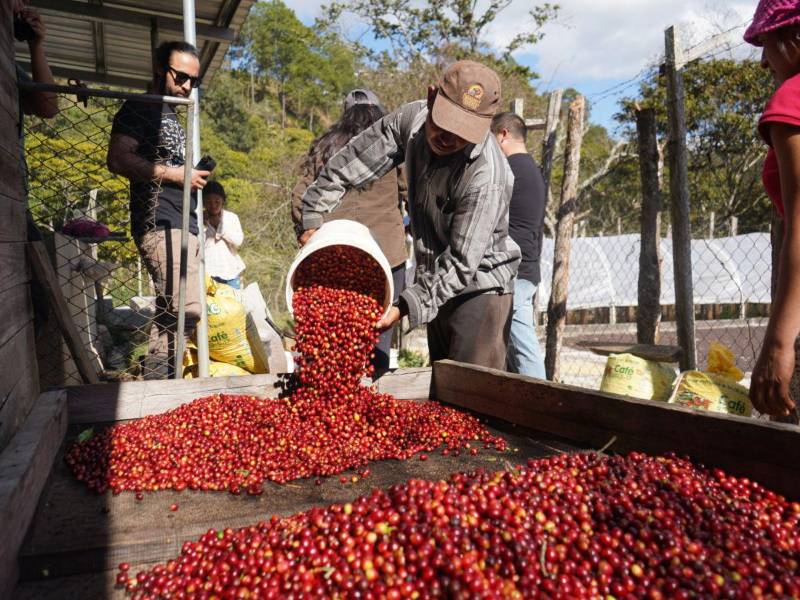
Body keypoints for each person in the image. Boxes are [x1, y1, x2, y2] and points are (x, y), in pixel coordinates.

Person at [300, 61, 520, 370]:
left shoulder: (488, 175)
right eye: (444, 122)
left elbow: (461, 263)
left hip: (480, 288)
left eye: (463, 132)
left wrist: (405, 304)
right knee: (442, 387)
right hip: (435, 276)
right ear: (431, 98)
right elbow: (354, 159)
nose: (449, 138)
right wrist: (312, 215)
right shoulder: (411, 119)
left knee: (473, 399)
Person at [107, 41, 209, 379]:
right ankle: (157, 384)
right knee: (187, 308)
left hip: (184, 222)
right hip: (159, 220)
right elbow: (118, 158)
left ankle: (157, 386)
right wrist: (178, 174)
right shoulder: (141, 107)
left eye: (194, 80)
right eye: (180, 76)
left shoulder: (171, 114)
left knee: (173, 313)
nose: (187, 86)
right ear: (158, 68)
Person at [292, 90, 407, 370]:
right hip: (386, 255)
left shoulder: (324, 146)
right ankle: (371, 401)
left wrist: (307, 231)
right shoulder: (394, 147)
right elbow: (412, 191)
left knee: (327, 343)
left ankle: (326, 402)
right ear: (379, 113)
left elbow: (300, 196)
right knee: (378, 334)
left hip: (334, 253)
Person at [745, 0, 800, 423]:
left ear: (792, 37)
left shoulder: (793, 96)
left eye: (765, 42)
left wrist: (779, 344)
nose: (764, 60)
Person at [491, 112, 547, 379]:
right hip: (524, 266)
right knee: (514, 343)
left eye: (491, 139)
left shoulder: (510, 170)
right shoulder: (530, 170)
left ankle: (543, 403)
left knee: (523, 346)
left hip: (515, 270)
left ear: (502, 134)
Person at [204, 180, 245, 289]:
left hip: (231, 273)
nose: (213, 205)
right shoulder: (198, 220)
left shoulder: (231, 217)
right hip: (208, 275)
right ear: (203, 202)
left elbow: (238, 241)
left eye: (217, 201)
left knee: (234, 305)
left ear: (223, 201)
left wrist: (220, 227)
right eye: (208, 201)